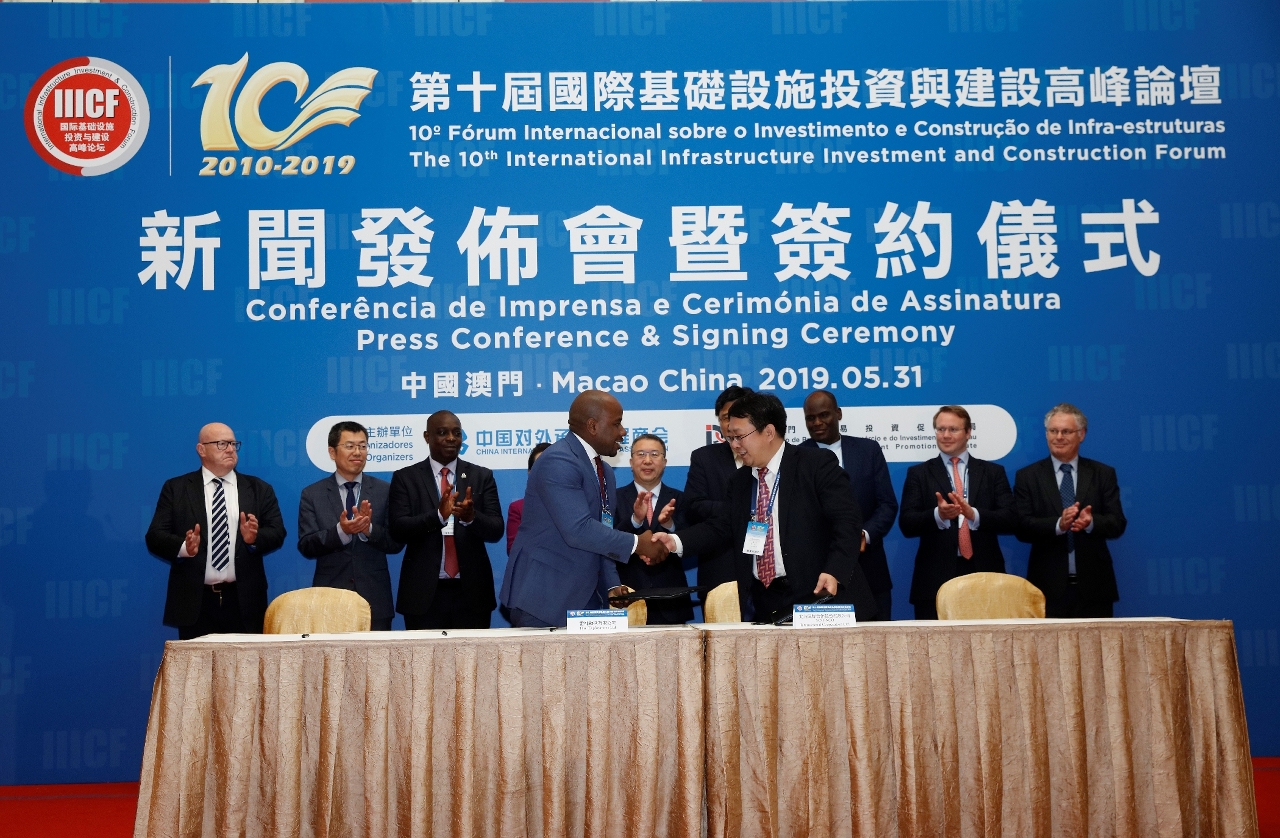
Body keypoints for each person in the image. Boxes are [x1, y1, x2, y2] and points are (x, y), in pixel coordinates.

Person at [653, 393, 877, 622]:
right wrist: (675, 541)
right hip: (765, 600)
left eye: (739, 436)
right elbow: (721, 527)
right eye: (730, 437)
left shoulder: (815, 465)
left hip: (820, 594)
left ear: (769, 432)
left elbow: (847, 522)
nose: (734, 445)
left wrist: (835, 571)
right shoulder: (740, 481)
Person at [499, 390, 669, 627]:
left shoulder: (604, 471)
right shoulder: (558, 460)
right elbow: (578, 529)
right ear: (592, 426)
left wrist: (611, 584)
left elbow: (602, 532)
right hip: (545, 598)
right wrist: (638, 543)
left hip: (587, 598)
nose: (623, 431)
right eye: (617, 424)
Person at [145, 423, 286, 638]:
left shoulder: (259, 489)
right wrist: (184, 548)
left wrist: (254, 539)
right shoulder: (176, 488)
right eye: (222, 444)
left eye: (233, 444)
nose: (230, 449)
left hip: (244, 602)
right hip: (196, 603)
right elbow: (155, 536)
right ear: (201, 449)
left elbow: (277, 532)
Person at [899, 405, 1017, 620]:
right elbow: (907, 523)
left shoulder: (993, 473)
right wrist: (939, 515)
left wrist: (974, 515)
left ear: (968, 432)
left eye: (953, 429)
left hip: (985, 573)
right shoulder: (919, 474)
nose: (945, 435)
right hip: (934, 579)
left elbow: (1010, 519)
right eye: (940, 429)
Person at [388, 411, 504, 629]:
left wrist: (471, 518)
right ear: (427, 437)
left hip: (472, 594)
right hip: (422, 595)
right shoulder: (406, 478)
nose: (451, 438)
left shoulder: (481, 476)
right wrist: (438, 516)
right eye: (442, 432)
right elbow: (398, 529)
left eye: (457, 433)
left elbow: (496, 529)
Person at [1014, 403, 1127, 618]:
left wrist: (1091, 522)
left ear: (1081, 434)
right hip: (1046, 587)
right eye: (1053, 431)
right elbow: (1021, 526)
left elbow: (1117, 523)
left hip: (1095, 588)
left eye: (1066, 431)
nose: (1058, 437)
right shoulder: (1028, 476)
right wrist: (1059, 524)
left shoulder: (1103, 474)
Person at [799, 390, 900, 620]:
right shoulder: (798, 458)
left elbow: (887, 504)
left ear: (838, 413)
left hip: (870, 568)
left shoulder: (868, 450)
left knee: (878, 639)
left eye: (824, 415)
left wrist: (864, 535)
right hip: (819, 574)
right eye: (810, 418)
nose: (817, 423)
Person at [297, 421, 404, 631]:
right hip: (329, 600)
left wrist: (368, 530)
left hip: (375, 600)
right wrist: (341, 532)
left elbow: (395, 542)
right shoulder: (312, 494)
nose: (358, 452)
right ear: (332, 452)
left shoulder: (385, 491)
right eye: (350, 446)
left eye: (362, 446)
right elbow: (307, 545)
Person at [613, 433, 691, 624]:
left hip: (672, 601)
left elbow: (692, 541)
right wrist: (635, 520)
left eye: (655, 454)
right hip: (628, 598)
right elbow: (608, 542)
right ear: (631, 462)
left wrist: (669, 525)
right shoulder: (614, 499)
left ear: (664, 462)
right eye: (641, 454)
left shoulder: (681, 498)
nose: (647, 460)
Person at [683, 385, 753, 590]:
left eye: (737, 416)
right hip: (720, 568)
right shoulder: (704, 458)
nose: (731, 424)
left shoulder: (770, 457)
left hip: (769, 570)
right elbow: (693, 506)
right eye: (724, 418)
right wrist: (740, 510)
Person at [506, 442, 552, 555]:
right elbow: (514, 550)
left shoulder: (572, 506)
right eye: (540, 466)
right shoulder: (518, 508)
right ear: (530, 473)